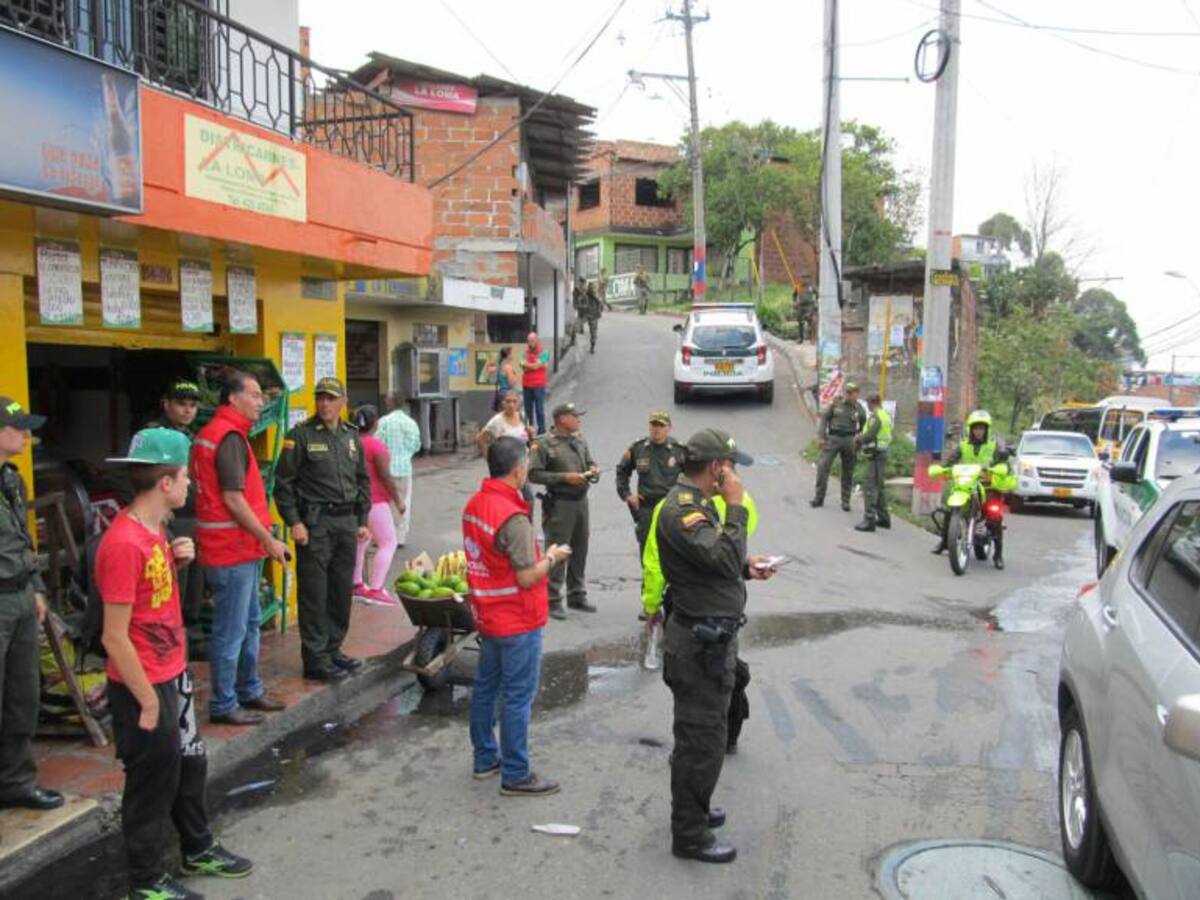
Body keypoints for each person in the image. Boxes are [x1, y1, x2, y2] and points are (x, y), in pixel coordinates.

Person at [98, 427, 253, 900]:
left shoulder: (155, 531)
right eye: (186, 476)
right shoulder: (124, 543)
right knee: (151, 784)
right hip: (144, 685)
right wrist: (146, 701)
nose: (192, 484)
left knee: (190, 766)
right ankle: (146, 881)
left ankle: (197, 846)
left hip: (172, 676)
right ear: (165, 483)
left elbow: (150, 599)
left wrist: (176, 561)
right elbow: (114, 635)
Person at [656, 428, 774, 863]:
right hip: (698, 645)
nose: (735, 472)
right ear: (716, 468)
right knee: (700, 741)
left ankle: (696, 809)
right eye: (731, 465)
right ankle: (689, 834)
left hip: (708, 637)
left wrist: (745, 567)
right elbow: (716, 556)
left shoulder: (698, 506)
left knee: (701, 736)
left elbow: (712, 563)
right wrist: (737, 506)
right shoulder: (684, 511)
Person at [462, 436, 570, 797]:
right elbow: (526, 575)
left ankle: (485, 759)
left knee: (486, 688)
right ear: (518, 469)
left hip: (488, 614)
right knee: (516, 696)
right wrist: (552, 557)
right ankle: (516, 773)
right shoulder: (512, 517)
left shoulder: (476, 504)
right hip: (516, 619)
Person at [191, 372, 288, 725]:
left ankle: (249, 690)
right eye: (255, 395)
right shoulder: (228, 437)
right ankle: (224, 703)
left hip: (237, 550)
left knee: (247, 624)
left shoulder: (223, 435)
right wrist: (268, 538)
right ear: (233, 398)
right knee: (231, 631)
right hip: (231, 550)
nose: (261, 401)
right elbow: (232, 498)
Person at [642, 488, 759, 756]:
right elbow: (737, 546)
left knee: (693, 681)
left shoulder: (671, 507)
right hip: (724, 608)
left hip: (690, 607)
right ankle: (717, 739)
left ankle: (700, 745)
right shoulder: (739, 500)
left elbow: (655, 561)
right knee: (720, 672)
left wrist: (651, 605)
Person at [274, 377, 371, 682]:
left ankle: (333, 648)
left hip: (345, 523)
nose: (325, 404)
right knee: (315, 592)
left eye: (331, 398)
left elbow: (362, 480)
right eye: (320, 398)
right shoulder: (300, 436)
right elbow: (283, 485)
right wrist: (295, 522)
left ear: (343, 402)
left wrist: (362, 519)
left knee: (341, 590)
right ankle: (315, 659)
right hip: (315, 525)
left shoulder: (351, 436)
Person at [0, 397, 63, 813]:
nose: (26, 434)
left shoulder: (12, 480)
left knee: (23, 695)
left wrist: (38, 587)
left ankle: (15, 781)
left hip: (20, 595)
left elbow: (23, 539)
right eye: (18, 427)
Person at [527, 402, 598, 620]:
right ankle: (552, 599)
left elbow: (589, 461)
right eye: (575, 416)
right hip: (560, 504)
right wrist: (564, 478)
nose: (579, 419)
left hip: (580, 502)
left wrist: (593, 470)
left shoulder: (579, 439)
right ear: (562, 420)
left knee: (580, 548)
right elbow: (534, 474)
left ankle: (576, 594)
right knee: (558, 551)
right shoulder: (543, 444)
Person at [146, 379, 204, 627]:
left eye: (192, 405)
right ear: (166, 404)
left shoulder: (192, 434)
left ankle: (190, 631)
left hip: (194, 515)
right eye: (181, 404)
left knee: (195, 582)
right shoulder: (152, 435)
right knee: (173, 583)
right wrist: (154, 510)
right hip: (171, 519)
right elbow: (129, 475)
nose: (187, 410)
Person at [931, 409, 1011, 569]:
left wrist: (1003, 461)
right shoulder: (963, 445)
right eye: (976, 428)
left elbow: (1004, 458)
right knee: (951, 509)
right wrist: (943, 467)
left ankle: (998, 554)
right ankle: (945, 542)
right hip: (966, 483)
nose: (978, 431)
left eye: (982, 428)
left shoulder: (994, 443)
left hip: (987, 484)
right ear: (971, 429)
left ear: (987, 429)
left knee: (994, 515)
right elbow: (951, 459)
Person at [351, 405, 404, 608]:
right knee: (388, 542)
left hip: (356, 501)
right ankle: (375, 588)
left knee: (362, 541)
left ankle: (356, 584)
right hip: (375, 501)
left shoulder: (351, 443)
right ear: (376, 424)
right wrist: (398, 500)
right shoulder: (376, 446)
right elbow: (385, 476)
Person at [615, 411, 685, 556]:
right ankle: (648, 579)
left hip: (670, 509)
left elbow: (693, 476)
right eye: (653, 424)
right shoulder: (638, 448)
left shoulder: (679, 450)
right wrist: (627, 495)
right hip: (647, 508)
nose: (656, 429)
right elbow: (622, 471)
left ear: (669, 428)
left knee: (672, 551)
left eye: (661, 425)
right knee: (647, 551)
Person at [811, 381, 867, 512]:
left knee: (848, 471)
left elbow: (863, 425)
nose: (847, 395)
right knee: (823, 467)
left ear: (856, 394)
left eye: (850, 393)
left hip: (849, 440)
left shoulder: (859, 409)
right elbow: (824, 418)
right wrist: (821, 436)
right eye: (846, 392)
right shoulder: (836, 403)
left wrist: (859, 440)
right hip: (833, 438)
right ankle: (819, 498)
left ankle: (845, 501)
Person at [375, 392, 421, 548]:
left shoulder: (383, 422)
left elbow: (377, 444)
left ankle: (385, 535)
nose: (386, 401)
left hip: (385, 469)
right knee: (403, 502)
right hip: (404, 468)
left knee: (385, 503)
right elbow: (416, 445)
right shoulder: (411, 423)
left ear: (391, 403)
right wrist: (405, 454)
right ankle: (400, 537)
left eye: (387, 399)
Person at [854, 394, 894, 533]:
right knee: (879, 486)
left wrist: (858, 439)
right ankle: (884, 519)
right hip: (882, 453)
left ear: (872, 402)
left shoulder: (876, 417)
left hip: (877, 454)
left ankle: (869, 520)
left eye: (868, 403)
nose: (867, 406)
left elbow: (870, 435)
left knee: (870, 486)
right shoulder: (885, 415)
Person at [521, 332, 550, 435]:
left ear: (537, 340)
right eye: (529, 341)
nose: (530, 343)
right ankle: (529, 430)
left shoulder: (544, 352)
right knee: (528, 410)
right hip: (526, 384)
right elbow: (524, 367)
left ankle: (541, 431)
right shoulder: (524, 353)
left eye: (532, 341)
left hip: (539, 384)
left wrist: (529, 365)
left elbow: (535, 367)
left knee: (539, 409)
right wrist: (536, 365)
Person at [492, 347, 519, 413]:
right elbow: (511, 382)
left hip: (501, 393)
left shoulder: (500, 366)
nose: (512, 355)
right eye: (511, 354)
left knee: (502, 415)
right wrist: (515, 377)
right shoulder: (508, 367)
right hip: (508, 394)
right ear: (508, 355)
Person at [583, 282, 603, 354]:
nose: (592, 289)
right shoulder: (591, 295)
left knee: (593, 332)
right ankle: (592, 346)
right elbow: (600, 303)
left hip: (590, 315)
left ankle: (592, 346)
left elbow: (600, 304)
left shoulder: (588, 295)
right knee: (593, 332)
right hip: (591, 315)